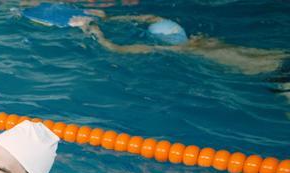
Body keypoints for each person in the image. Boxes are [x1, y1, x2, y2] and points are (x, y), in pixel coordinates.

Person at [19, 2, 287, 77]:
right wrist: (108, 18)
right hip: (280, 58)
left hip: (275, 74)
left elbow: (117, 49)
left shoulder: (181, 50)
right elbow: (150, 16)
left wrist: (94, 29)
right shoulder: (203, 40)